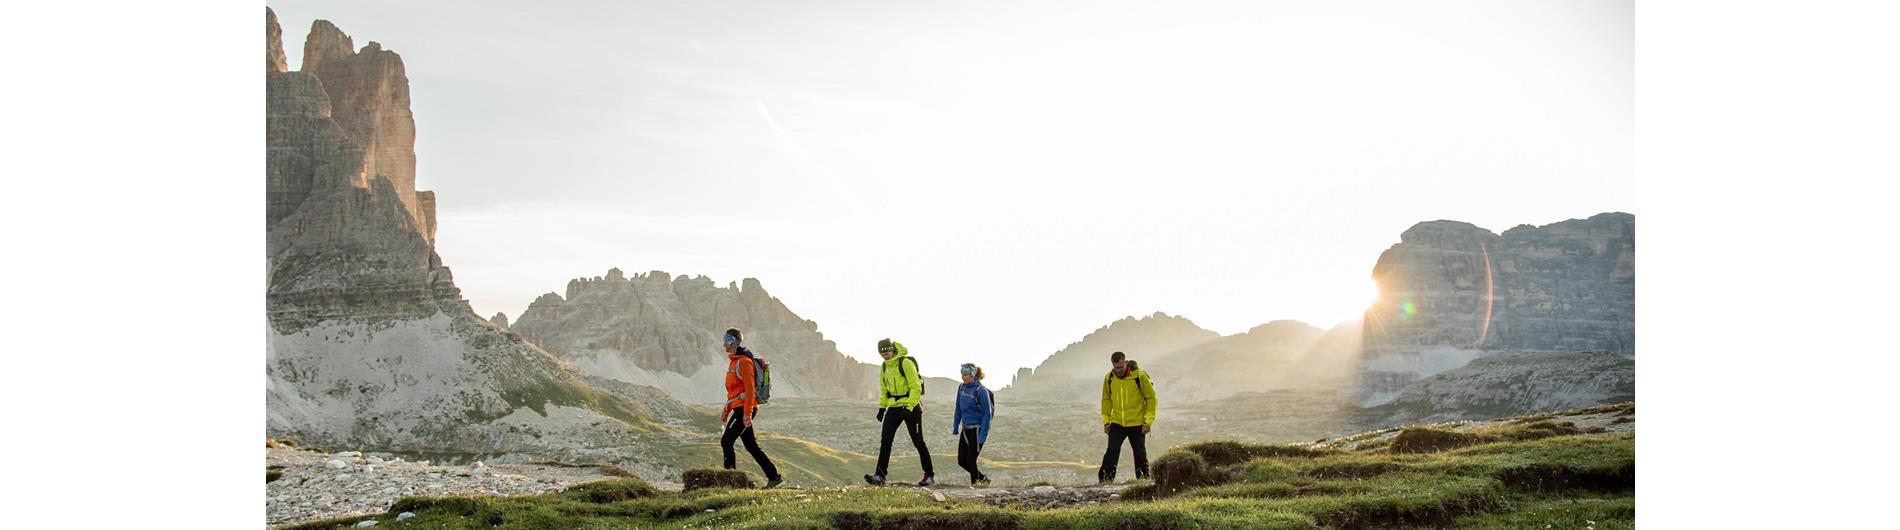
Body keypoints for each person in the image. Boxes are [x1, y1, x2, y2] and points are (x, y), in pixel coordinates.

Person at [865, 338, 934, 486]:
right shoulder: (884, 367)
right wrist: (882, 408)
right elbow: (884, 389)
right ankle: (880, 476)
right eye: (882, 353)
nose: (885, 354)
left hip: (911, 408)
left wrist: (909, 408)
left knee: (918, 442)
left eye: (887, 351)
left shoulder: (905, 363)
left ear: (893, 348)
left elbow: (915, 387)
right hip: (894, 407)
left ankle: (929, 475)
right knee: (886, 441)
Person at [719, 328, 783, 489]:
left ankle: (731, 483)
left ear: (733, 342)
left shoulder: (744, 362)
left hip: (745, 409)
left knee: (726, 441)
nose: (724, 343)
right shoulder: (734, 361)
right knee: (751, 446)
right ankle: (774, 477)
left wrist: (746, 414)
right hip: (740, 408)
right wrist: (726, 410)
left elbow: (749, 390)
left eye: (726, 339)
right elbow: (734, 391)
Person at [1099, 350, 1156, 484]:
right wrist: (1106, 422)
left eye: (1120, 367)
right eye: (1115, 367)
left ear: (1125, 362)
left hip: (1137, 422)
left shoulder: (1139, 376)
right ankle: (1105, 481)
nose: (1118, 370)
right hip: (1117, 422)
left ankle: (1143, 481)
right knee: (1112, 451)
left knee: (1139, 453)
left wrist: (1148, 421)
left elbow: (1151, 399)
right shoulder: (1109, 378)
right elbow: (1106, 401)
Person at [951, 363, 995, 485]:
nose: (962, 377)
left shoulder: (981, 391)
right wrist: (956, 426)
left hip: (977, 429)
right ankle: (983, 479)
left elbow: (987, 414)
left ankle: (975, 485)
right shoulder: (961, 388)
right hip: (966, 429)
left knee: (971, 461)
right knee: (961, 461)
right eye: (961, 374)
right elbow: (958, 408)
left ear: (972, 375)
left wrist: (983, 435)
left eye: (965, 375)